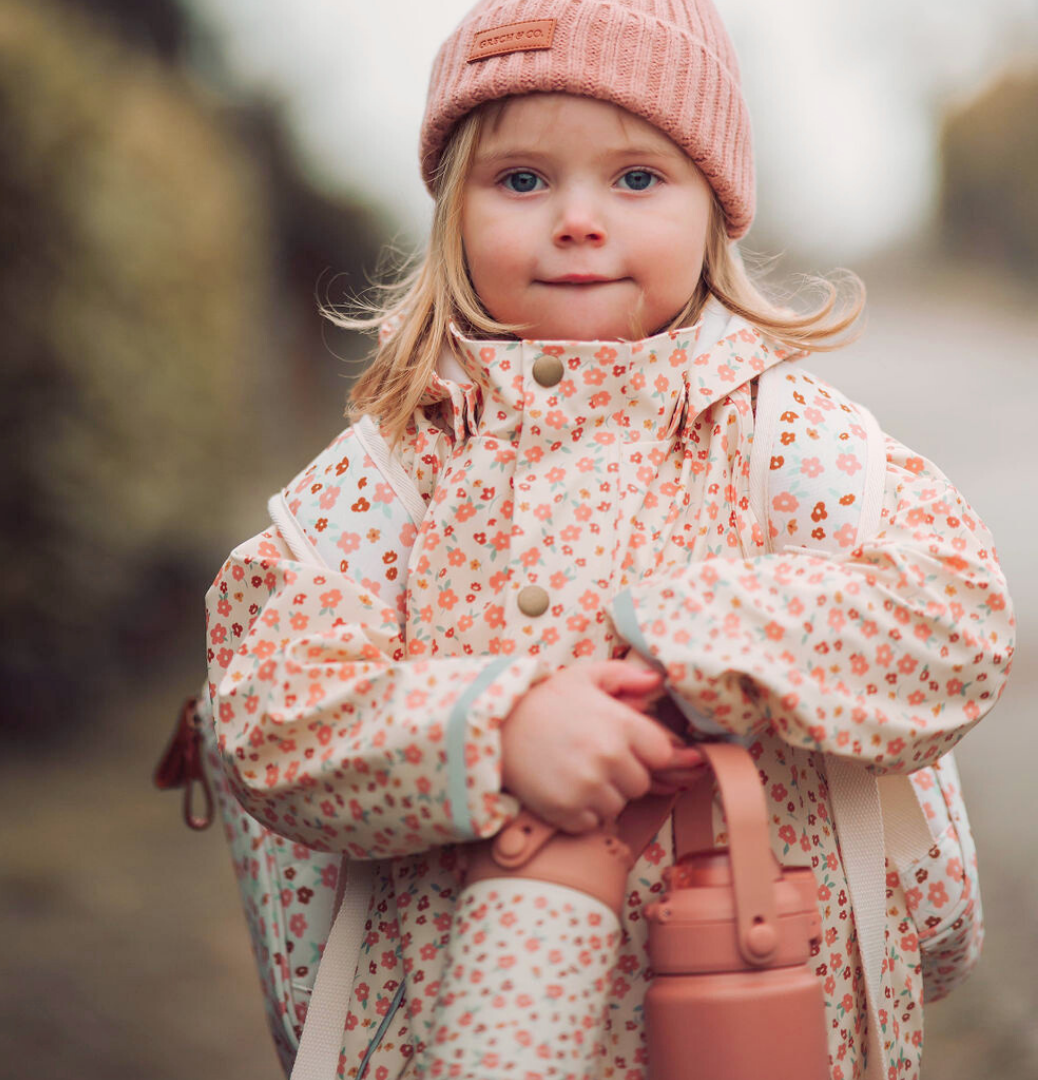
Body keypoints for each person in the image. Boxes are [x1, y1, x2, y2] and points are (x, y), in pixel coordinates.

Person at [204, 2, 1015, 1077]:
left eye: (636, 179)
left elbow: (958, 617)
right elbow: (267, 702)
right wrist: (496, 731)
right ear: (453, 213)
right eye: (523, 180)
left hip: (762, 1007)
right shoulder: (398, 471)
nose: (579, 219)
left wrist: (703, 638)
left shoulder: (786, 440)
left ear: (713, 209)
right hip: (460, 1015)